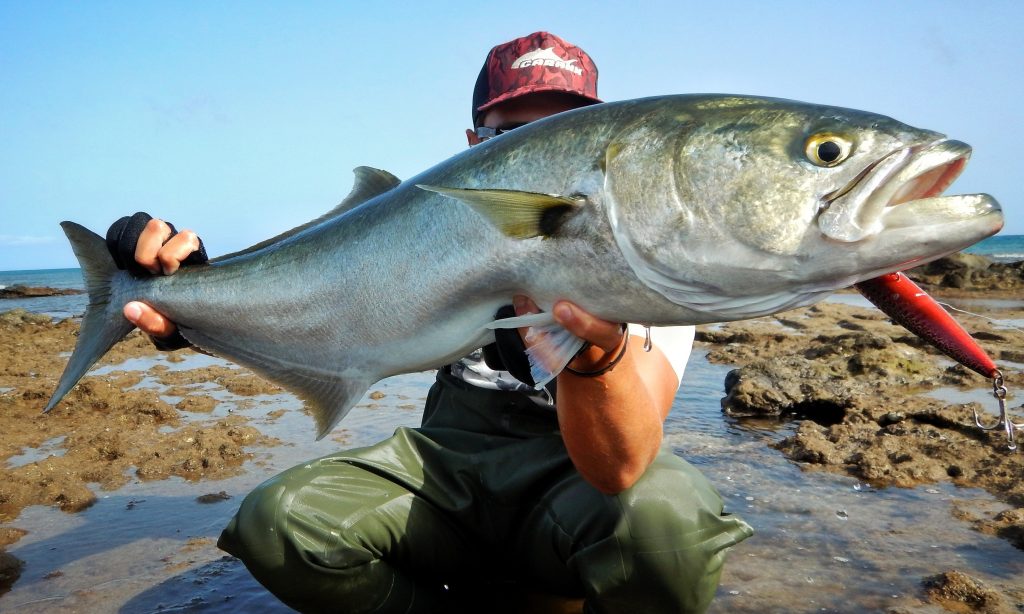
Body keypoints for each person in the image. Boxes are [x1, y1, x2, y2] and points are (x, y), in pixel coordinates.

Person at [108, 31, 752, 613]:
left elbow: (620, 467)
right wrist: (190, 302)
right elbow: (321, 301)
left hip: (568, 494)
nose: (543, 150)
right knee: (278, 525)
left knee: (670, 522)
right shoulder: (427, 230)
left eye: (569, 129)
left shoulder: (650, 266)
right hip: (447, 479)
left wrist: (590, 351)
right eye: (513, 133)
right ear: (474, 147)